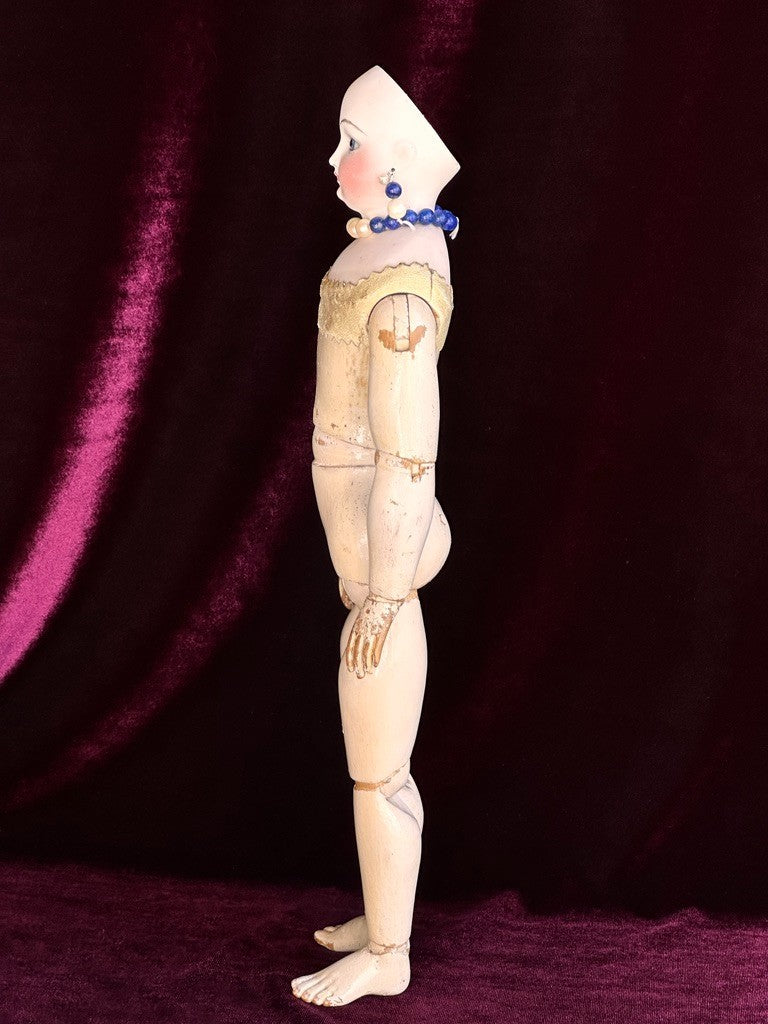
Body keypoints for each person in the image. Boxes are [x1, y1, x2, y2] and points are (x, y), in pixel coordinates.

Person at [291, 64, 460, 1007]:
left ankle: (388, 952)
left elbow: (409, 455)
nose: (334, 159)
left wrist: (388, 593)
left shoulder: (400, 289)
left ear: (395, 161)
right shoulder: (383, 257)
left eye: (350, 142)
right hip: (365, 548)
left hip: (385, 554)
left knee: (376, 770)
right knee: (375, 761)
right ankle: (380, 912)